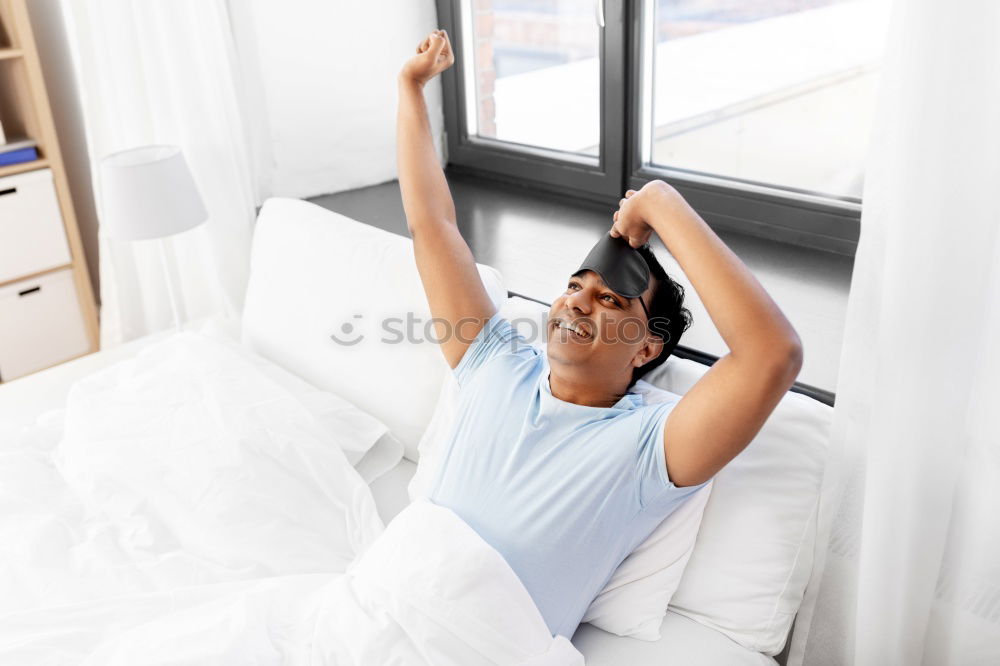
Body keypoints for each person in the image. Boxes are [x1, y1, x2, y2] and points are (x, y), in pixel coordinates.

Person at [397, 29, 803, 639]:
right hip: (383, 603)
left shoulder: (648, 450)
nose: (578, 302)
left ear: (647, 348)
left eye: (611, 298)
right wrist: (409, 89)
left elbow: (772, 354)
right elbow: (433, 224)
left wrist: (659, 202)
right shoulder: (496, 361)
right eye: (575, 284)